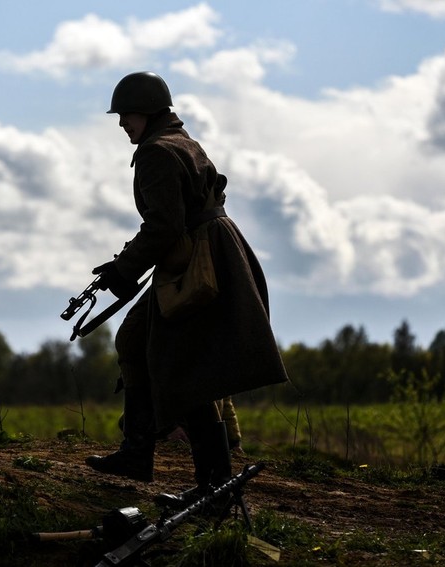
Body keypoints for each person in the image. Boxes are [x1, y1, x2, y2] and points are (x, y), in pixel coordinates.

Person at [84, 71, 288, 507]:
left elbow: (163, 227)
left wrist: (124, 269)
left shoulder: (158, 152)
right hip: (205, 255)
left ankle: (212, 488)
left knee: (180, 367)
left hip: (198, 264)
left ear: (149, 111)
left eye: (126, 115)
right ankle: (140, 454)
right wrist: (127, 264)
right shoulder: (182, 142)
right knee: (139, 341)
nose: (122, 124)